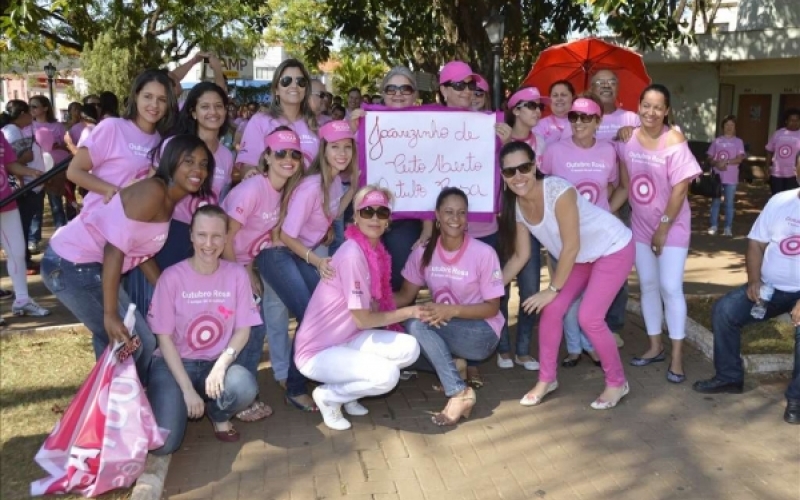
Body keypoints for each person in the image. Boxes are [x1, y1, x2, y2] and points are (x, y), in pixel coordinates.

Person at [41, 134, 213, 380]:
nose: (198, 169)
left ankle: (116, 401)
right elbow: (114, 249)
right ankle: (117, 400)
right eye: (189, 161)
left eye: (203, 163)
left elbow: (140, 253)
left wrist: (169, 293)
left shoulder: (168, 199)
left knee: (129, 344)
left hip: (90, 267)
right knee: (134, 342)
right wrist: (110, 315)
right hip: (71, 264)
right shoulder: (153, 191)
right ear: (171, 163)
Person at [499, 141, 634, 409]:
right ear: (503, 176)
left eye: (524, 168)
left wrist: (552, 289)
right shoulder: (516, 207)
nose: (518, 177)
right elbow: (520, 256)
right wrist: (489, 289)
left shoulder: (558, 191)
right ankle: (547, 380)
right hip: (582, 256)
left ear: (535, 165)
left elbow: (570, 246)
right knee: (551, 311)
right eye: (509, 172)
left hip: (612, 247)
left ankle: (618, 382)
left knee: (589, 317)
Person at [295, 186, 421, 431]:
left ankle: (349, 392)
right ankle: (329, 397)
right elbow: (364, 319)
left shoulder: (375, 251)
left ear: (388, 220)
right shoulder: (353, 254)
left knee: (410, 348)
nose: (375, 218)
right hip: (317, 351)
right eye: (368, 211)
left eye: (382, 212)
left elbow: (370, 308)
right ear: (356, 217)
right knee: (387, 376)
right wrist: (409, 312)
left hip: (349, 336)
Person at [693, 158, 800, 425]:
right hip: (771, 288)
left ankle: (796, 398)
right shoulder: (780, 201)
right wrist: (753, 280)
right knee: (725, 311)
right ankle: (729, 377)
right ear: (796, 171)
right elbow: (755, 243)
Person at [147, 205, 261, 451]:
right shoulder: (171, 277)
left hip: (213, 363)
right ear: (191, 235)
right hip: (174, 363)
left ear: (225, 238)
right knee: (165, 446)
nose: (209, 243)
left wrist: (221, 366)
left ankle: (218, 414)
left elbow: (244, 329)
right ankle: (172, 398)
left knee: (244, 386)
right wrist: (187, 390)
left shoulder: (237, 275)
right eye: (202, 235)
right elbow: (164, 339)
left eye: (217, 236)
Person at [221, 127, 311, 414]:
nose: (288, 158)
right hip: (226, 263)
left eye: (294, 154)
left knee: (254, 328)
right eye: (281, 153)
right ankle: (239, 399)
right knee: (250, 329)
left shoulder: (286, 191)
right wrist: (244, 273)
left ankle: (243, 392)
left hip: (250, 263)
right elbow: (225, 236)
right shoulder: (251, 190)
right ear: (267, 157)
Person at [396, 188, 504, 425]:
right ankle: (455, 365)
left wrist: (451, 310)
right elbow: (404, 296)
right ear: (436, 215)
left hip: (482, 333)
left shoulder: (484, 253)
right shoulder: (423, 253)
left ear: (467, 217)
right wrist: (368, 306)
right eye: (449, 212)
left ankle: (459, 392)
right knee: (400, 350)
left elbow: (493, 308)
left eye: (461, 213)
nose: (455, 219)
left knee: (416, 324)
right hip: (447, 327)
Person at [126, 82, 234, 317]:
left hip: (201, 240)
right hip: (167, 233)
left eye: (218, 106)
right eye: (205, 106)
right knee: (156, 307)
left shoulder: (226, 156)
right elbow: (152, 187)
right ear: (193, 112)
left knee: (190, 310)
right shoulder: (174, 145)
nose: (212, 112)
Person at [618, 84, 701, 383]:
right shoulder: (629, 138)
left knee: (669, 287)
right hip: (640, 225)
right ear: (638, 106)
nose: (651, 112)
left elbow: (681, 188)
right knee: (649, 286)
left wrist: (663, 227)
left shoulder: (674, 138)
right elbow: (626, 179)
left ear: (666, 110)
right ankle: (655, 346)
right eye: (646, 105)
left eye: (658, 107)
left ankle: (677, 357)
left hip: (672, 225)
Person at [540, 95, 628, 367]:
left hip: (598, 240)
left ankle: (589, 344)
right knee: (564, 294)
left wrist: (607, 214)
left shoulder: (608, 150)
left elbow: (616, 186)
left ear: (598, 121)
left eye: (586, 117)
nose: (579, 123)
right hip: (564, 238)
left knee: (591, 300)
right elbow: (542, 189)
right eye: (574, 117)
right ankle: (575, 348)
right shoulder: (555, 150)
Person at [492, 86, 551, 371]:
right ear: (515, 109)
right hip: (502, 222)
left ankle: (523, 349)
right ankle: (503, 347)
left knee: (530, 289)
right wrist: (498, 146)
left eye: (539, 106)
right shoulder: (495, 136)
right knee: (500, 285)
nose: (537, 111)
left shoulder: (541, 142)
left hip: (531, 221)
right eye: (530, 105)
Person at [67, 69, 177, 217]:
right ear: (136, 96)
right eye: (148, 96)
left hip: (133, 227)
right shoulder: (112, 127)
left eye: (162, 99)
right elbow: (74, 171)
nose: (154, 104)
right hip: (98, 221)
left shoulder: (161, 142)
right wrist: (114, 191)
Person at [237, 58, 318, 177]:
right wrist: (250, 174)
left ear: (306, 89)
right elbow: (247, 164)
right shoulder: (260, 121)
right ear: (276, 90)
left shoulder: (314, 125)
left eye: (300, 81)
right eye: (286, 81)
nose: (294, 86)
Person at [0, 134, 50, 320]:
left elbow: (10, 164)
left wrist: (31, 172)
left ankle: (22, 299)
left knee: (18, 252)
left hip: (7, 201)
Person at [1, 100, 47, 274]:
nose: (32, 116)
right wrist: (23, 178)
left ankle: (24, 261)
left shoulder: (13, 131)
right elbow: (12, 162)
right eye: (29, 112)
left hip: (25, 186)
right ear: (22, 114)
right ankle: (23, 263)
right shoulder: (12, 132)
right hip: (20, 189)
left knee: (23, 227)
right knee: (21, 227)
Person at [28, 95, 69, 251]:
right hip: (35, 170)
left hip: (54, 169)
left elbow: (65, 147)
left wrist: (57, 147)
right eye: (30, 106)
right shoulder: (29, 126)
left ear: (45, 108)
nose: (32, 109)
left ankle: (62, 235)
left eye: (35, 106)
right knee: (36, 207)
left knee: (56, 204)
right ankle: (33, 239)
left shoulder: (57, 126)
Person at [707, 115, 746, 236]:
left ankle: (727, 227)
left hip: (731, 177)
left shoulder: (738, 142)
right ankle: (713, 226)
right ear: (722, 127)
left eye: (731, 125)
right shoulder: (717, 141)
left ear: (735, 127)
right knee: (715, 201)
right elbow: (709, 157)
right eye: (726, 125)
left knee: (729, 203)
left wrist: (726, 162)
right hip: (717, 177)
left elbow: (740, 159)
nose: (729, 127)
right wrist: (716, 163)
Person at [764, 108, 800, 195]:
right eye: (791, 120)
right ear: (786, 121)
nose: (794, 122)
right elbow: (769, 151)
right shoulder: (778, 133)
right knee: (777, 198)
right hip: (777, 173)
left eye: (797, 120)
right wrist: (766, 167)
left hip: (794, 175)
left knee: (791, 199)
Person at [534, 80, 575, 145]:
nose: (559, 98)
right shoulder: (539, 125)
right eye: (555, 95)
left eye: (563, 95)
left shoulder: (580, 122)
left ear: (572, 98)